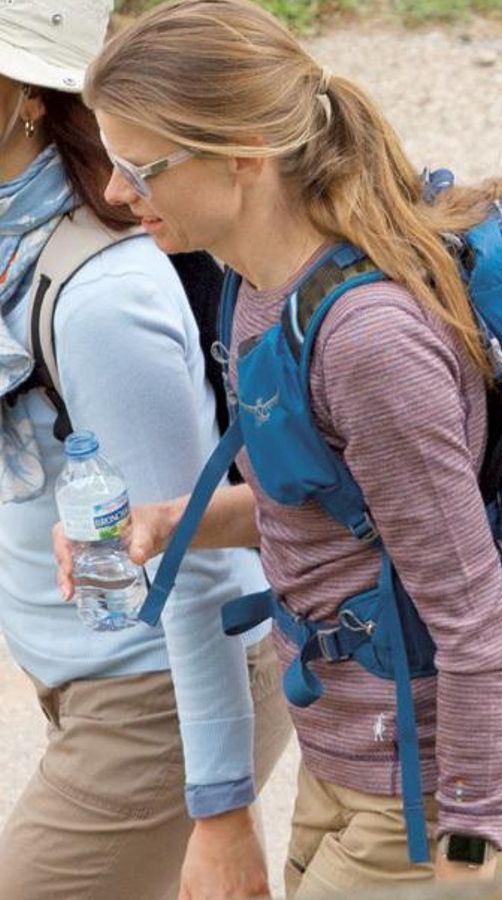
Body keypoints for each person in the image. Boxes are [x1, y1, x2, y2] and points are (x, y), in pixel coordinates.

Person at [69, 0, 502, 891]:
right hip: (346, 760)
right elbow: (322, 508)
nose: (114, 193)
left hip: (432, 794)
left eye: (140, 167)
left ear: (244, 155)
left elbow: (476, 621)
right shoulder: (257, 288)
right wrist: (160, 525)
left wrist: (464, 846)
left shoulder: (368, 343)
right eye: (111, 162)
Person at [0, 0, 291, 897]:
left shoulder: (99, 297)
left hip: (155, 695)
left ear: (30, 96)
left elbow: (188, 556)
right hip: (86, 675)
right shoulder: (14, 241)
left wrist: (219, 807)